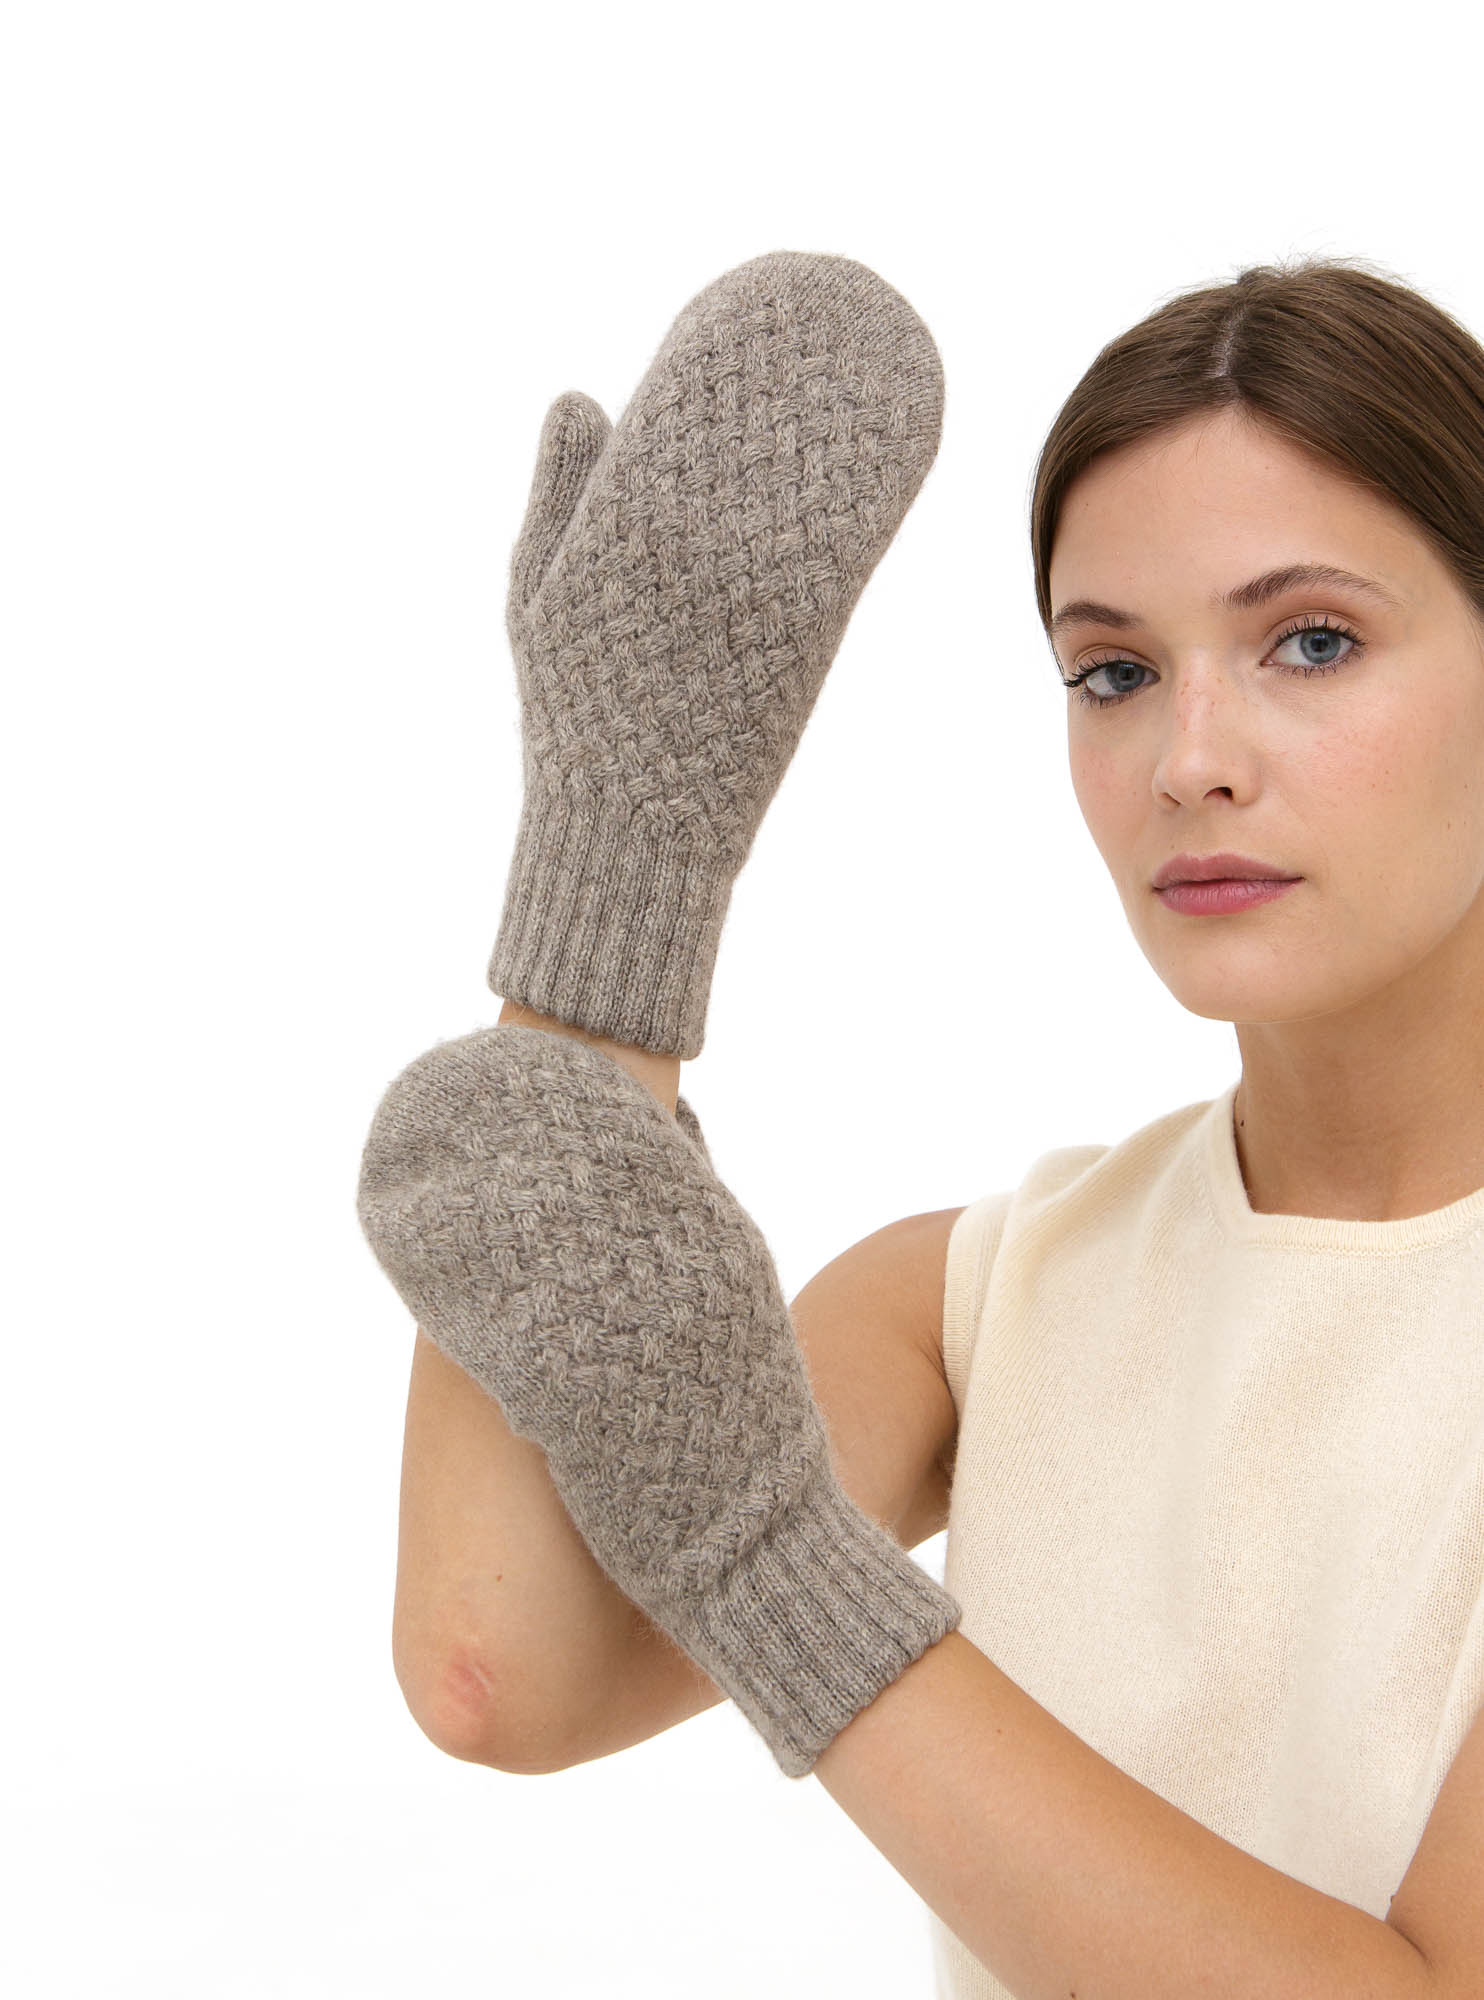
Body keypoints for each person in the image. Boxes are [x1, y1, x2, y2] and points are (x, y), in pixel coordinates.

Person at [356, 250, 1484, 1999]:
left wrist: (783, 1569)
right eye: (1111, 671)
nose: (1189, 757)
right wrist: (613, 874)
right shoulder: (991, 1299)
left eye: (1312, 641)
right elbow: (501, 1674)